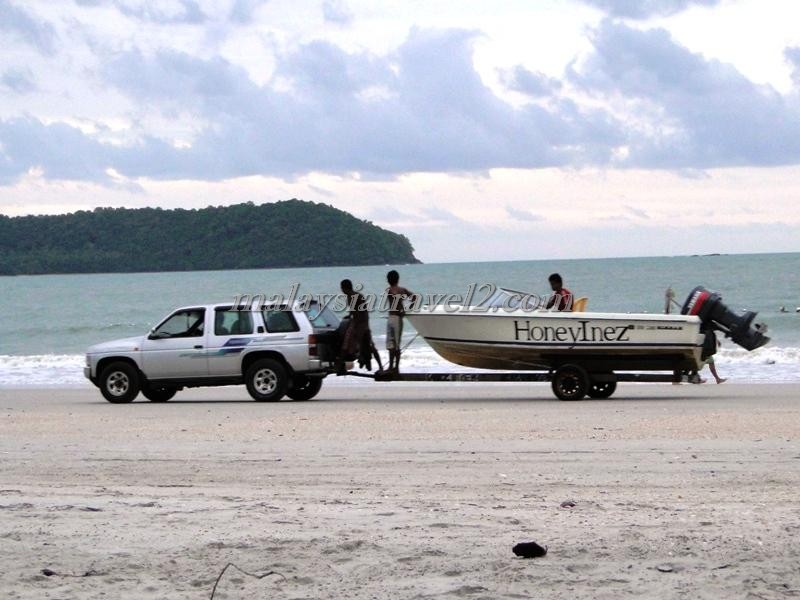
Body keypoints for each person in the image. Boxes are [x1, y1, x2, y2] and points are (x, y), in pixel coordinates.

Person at [384, 270, 416, 374]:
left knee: (394, 344)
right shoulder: (401, 290)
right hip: (394, 317)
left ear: (389, 280)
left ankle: (394, 367)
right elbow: (414, 297)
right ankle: (393, 367)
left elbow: (413, 297)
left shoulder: (390, 290)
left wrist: (407, 309)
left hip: (394, 318)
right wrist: (408, 308)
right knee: (393, 344)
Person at [339, 279, 370, 364]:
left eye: (342, 288)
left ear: (345, 288)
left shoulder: (355, 296)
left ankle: (360, 358)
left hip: (361, 322)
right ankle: (355, 357)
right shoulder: (350, 296)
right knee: (349, 340)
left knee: (355, 340)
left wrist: (362, 324)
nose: (341, 290)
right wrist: (349, 315)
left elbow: (363, 311)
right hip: (357, 321)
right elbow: (353, 309)